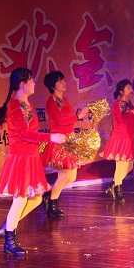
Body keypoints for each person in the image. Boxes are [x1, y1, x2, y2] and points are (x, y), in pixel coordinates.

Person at [0, 67, 66, 256]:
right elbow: (24, 134)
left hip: (31, 156)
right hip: (20, 157)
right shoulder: (15, 105)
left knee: (36, 198)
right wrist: (51, 137)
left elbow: (31, 132)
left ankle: (7, 227)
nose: (34, 84)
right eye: (31, 81)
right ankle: (9, 240)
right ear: (22, 84)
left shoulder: (28, 105)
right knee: (21, 198)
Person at [39, 70, 89, 218]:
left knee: (72, 177)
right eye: (60, 81)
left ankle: (50, 195)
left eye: (63, 80)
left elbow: (68, 120)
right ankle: (52, 204)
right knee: (64, 175)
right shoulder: (51, 101)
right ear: (53, 85)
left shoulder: (65, 100)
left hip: (69, 141)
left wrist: (78, 118)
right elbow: (60, 121)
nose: (63, 83)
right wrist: (79, 116)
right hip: (59, 141)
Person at [102, 79, 134, 201]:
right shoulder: (118, 104)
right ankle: (118, 190)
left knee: (129, 166)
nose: (130, 89)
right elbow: (120, 119)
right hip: (121, 137)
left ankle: (112, 186)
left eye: (130, 87)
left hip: (129, 136)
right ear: (121, 91)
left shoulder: (130, 104)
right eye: (127, 88)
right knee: (121, 166)